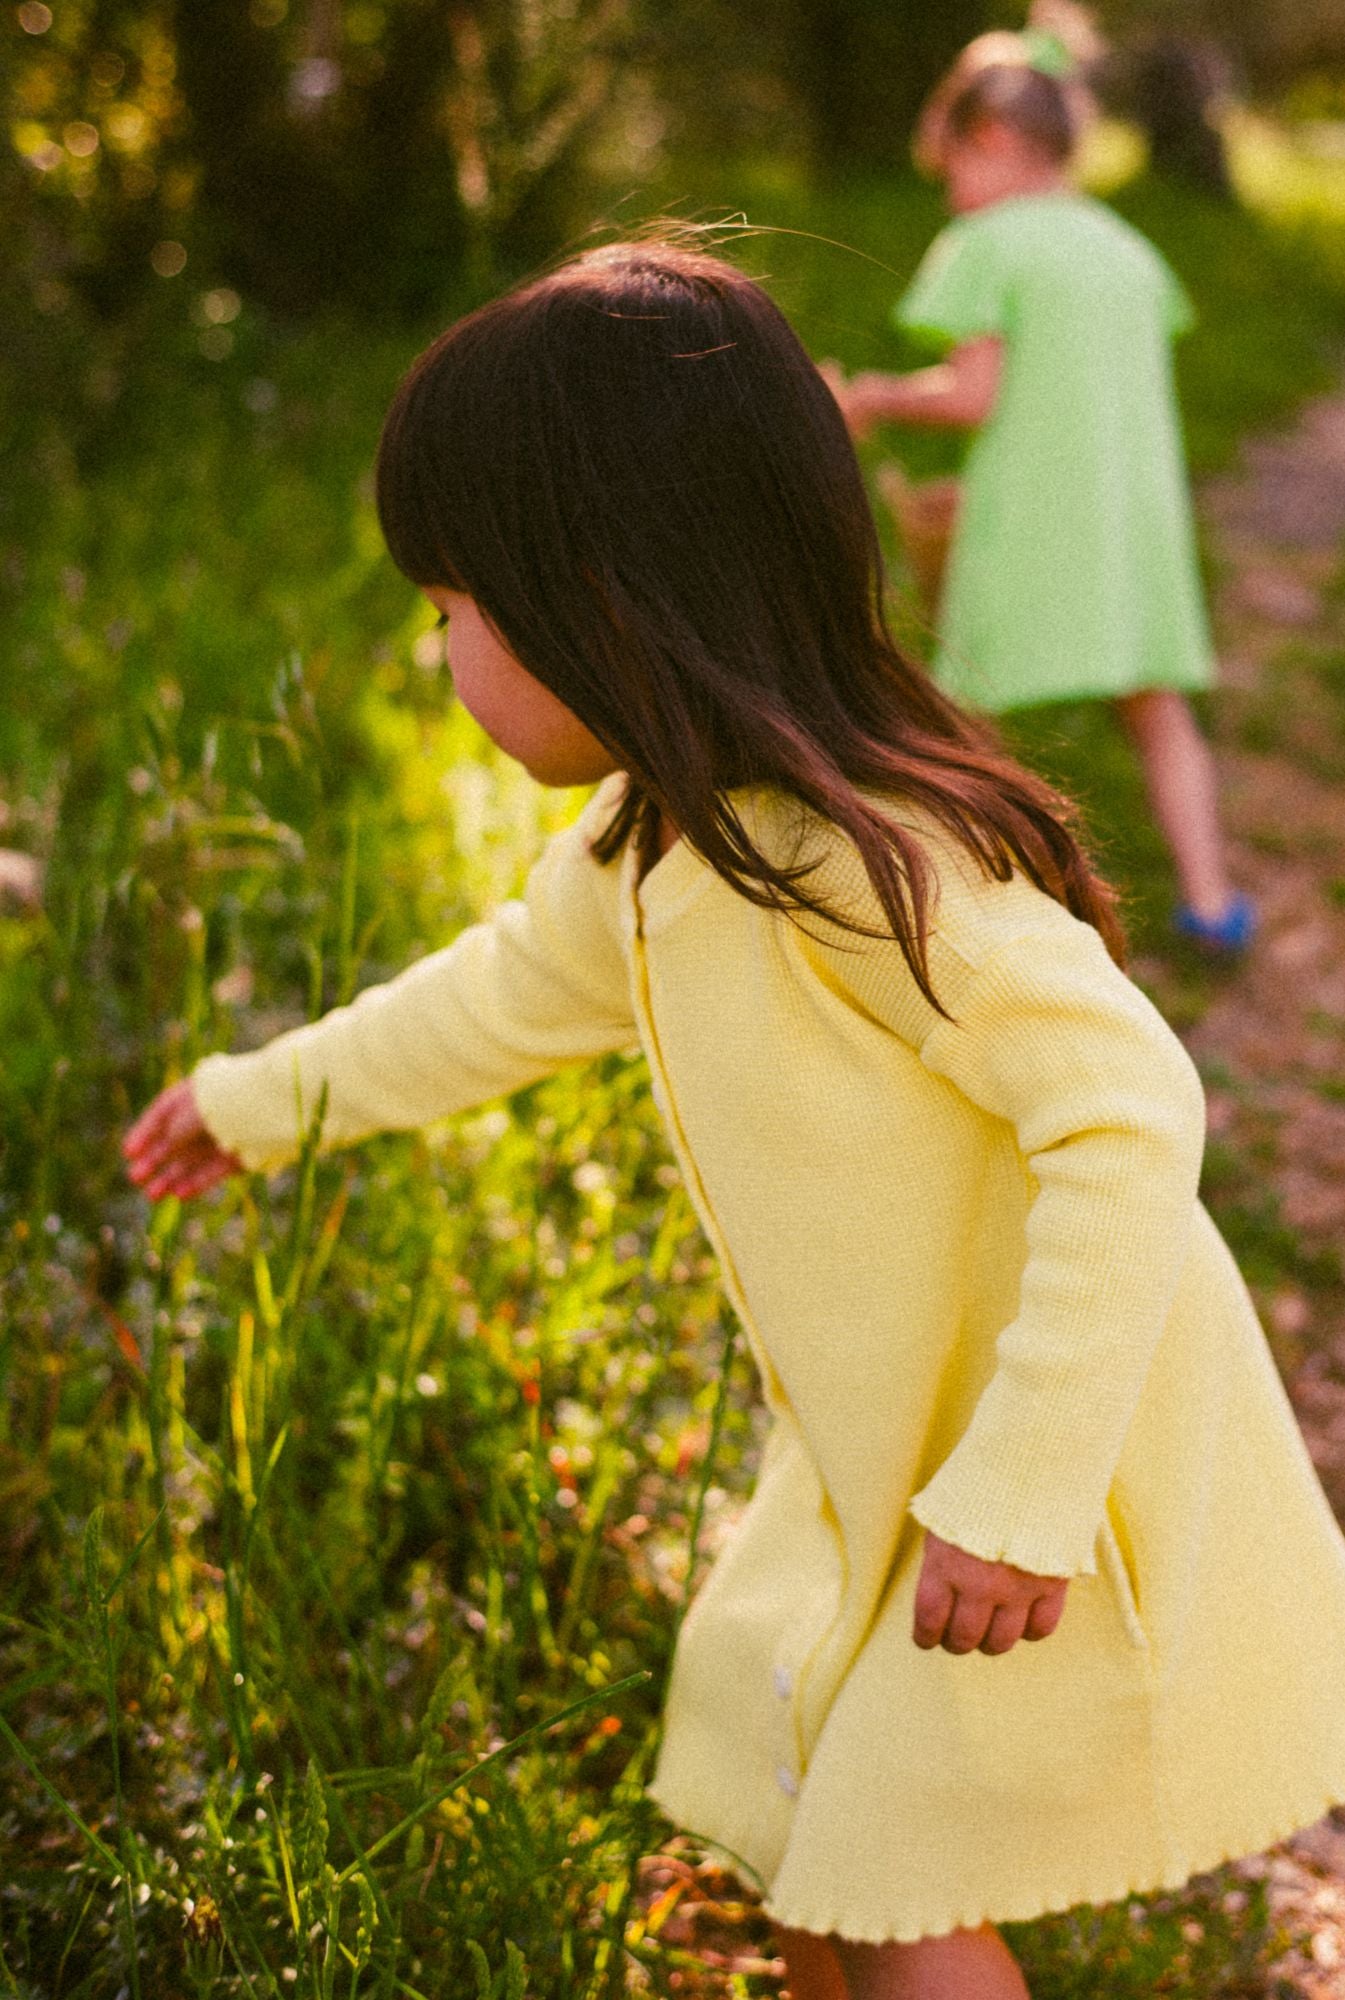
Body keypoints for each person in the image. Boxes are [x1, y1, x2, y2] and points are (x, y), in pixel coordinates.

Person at [123, 242, 1345, 2000]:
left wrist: (1021, 1486)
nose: (435, 642)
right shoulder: (651, 849)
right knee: (782, 1804)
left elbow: (1132, 1103)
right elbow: (475, 1011)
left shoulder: (863, 862)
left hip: (1040, 1451)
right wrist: (256, 1101)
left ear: (598, 596)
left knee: (894, 1871)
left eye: (454, 599)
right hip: (877, 1463)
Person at [826, 27, 1255, 956]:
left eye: (949, 171)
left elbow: (972, 395)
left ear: (987, 140)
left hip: (1027, 523)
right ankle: (1211, 901)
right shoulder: (1127, 251)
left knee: (967, 719)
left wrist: (870, 397)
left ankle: (980, 910)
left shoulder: (987, 241)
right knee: (1158, 713)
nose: (949, 195)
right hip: (1129, 526)